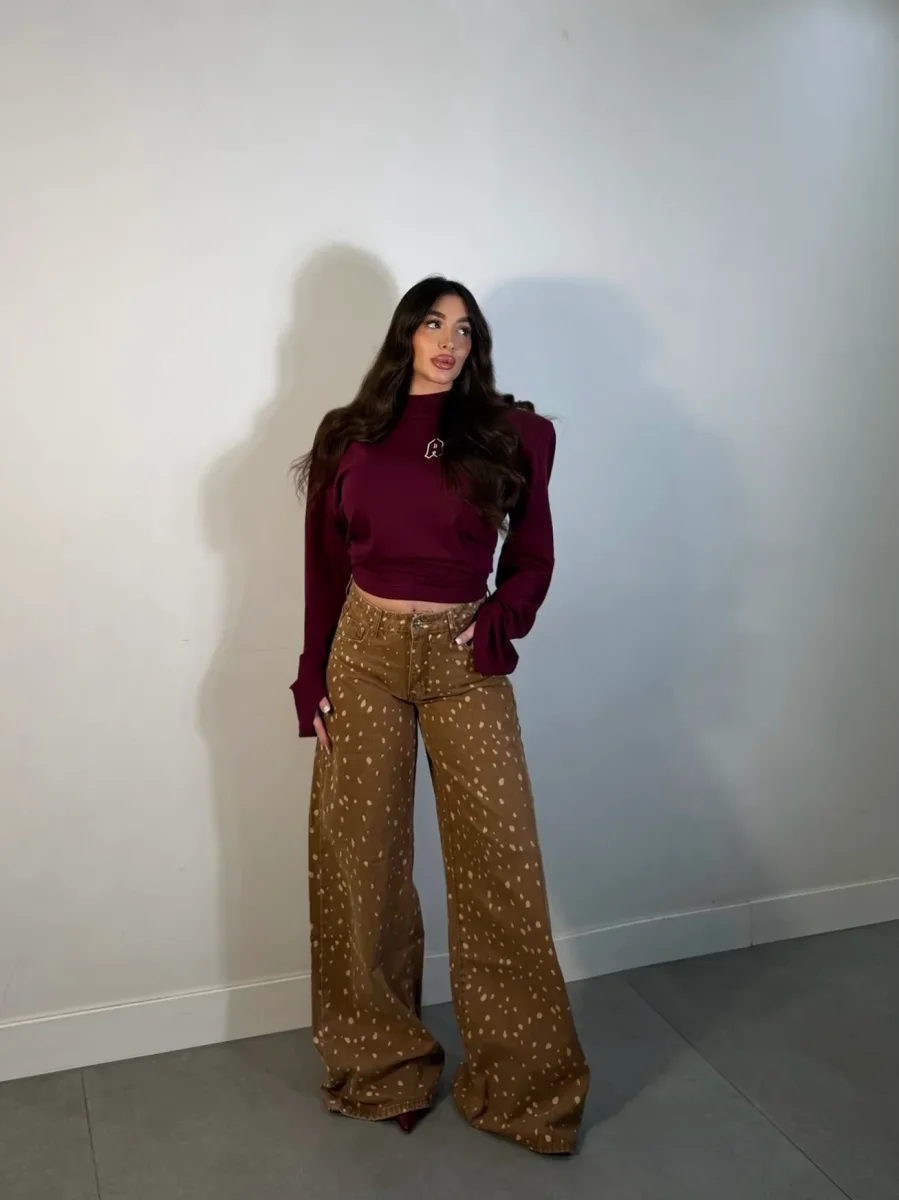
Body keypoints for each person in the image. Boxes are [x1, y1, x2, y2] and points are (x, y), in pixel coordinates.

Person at [290, 276, 589, 1154]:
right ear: (405, 335)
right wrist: (310, 676)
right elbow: (323, 566)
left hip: (463, 659)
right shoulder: (349, 435)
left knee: (500, 863)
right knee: (363, 863)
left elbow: (532, 554)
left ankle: (524, 1088)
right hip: (362, 656)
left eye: (464, 328)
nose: (448, 341)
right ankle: (381, 1065)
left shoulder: (514, 434)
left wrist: (501, 617)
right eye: (432, 323)